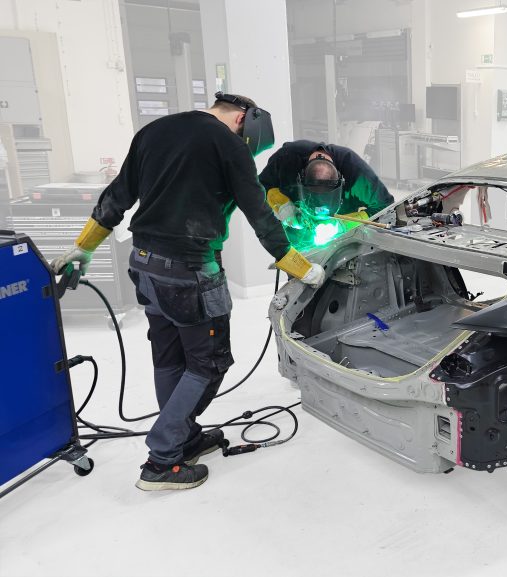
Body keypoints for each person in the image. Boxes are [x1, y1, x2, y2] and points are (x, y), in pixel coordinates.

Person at [51, 93, 326, 491]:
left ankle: (184, 438)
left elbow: (118, 195)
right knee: (208, 363)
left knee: (170, 355)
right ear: (244, 121)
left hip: (144, 266)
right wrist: (297, 264)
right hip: (190, 272)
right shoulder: (228, 144)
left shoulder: (153, 132)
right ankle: (162, 459)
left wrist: (85, 245)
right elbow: (258, 212)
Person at [259, 140, 393, 236]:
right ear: (300, 179)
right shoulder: (286, 159)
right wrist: (284, 208)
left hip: (340, 235)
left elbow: (385, 206)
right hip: (298, 233)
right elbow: (260, 186)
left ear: (341, 180)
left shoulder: (355, 171)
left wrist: (343, 225)